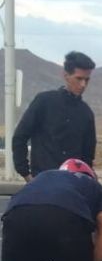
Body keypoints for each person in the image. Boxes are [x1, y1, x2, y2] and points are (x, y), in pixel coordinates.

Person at [13, 51, 97, 182]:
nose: (83, 85)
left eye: (87, 80)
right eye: (79, 78)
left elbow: (88, 156)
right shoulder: (44, 102)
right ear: (66, 75)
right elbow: (20, 137)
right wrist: (26, 174)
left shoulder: (86, 113)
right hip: (43, 182)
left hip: (72, 185)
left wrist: (87, 179)